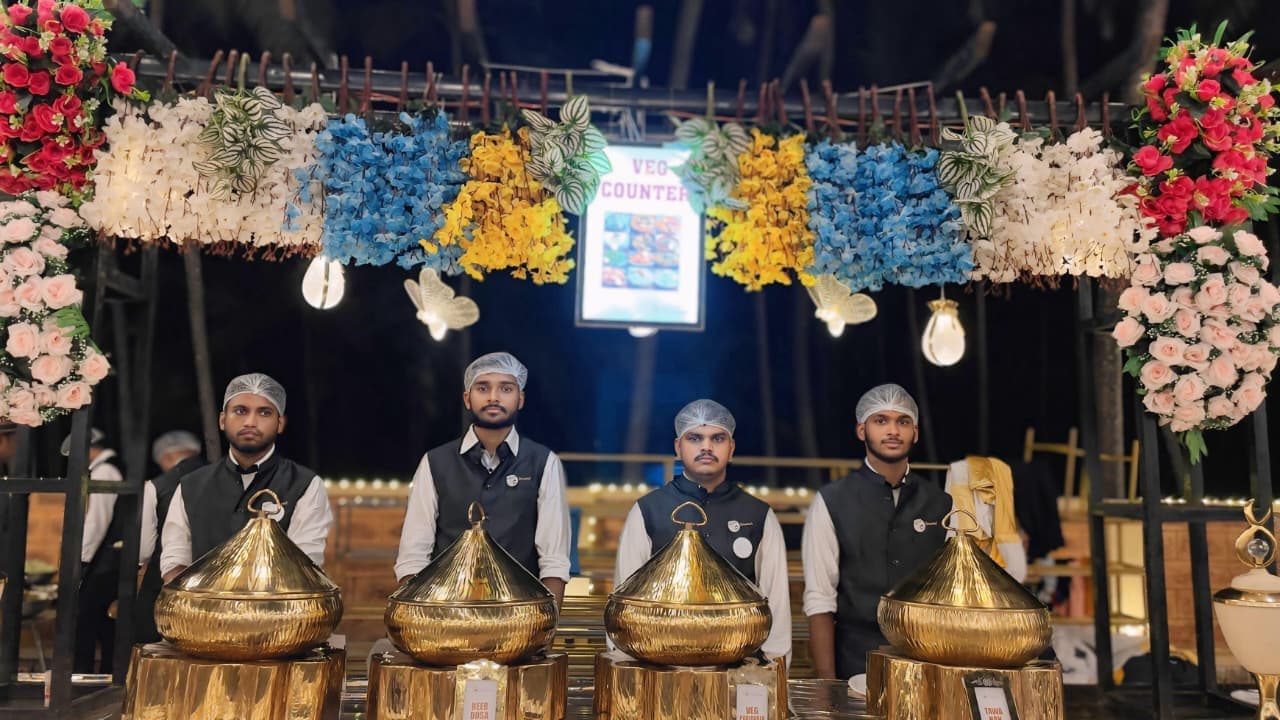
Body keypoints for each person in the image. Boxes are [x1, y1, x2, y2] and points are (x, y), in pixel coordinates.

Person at [614, 399, 792, 665]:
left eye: (717, 438)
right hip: (661, 668)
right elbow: (625, 604)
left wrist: (773, 672)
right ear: (678, 447)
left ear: (730, 448)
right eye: (695, 438)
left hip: (739, 669)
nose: (706, 447)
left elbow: (776, 602)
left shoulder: (758, 515)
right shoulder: (648, 511)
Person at [395, 352, 571, 606]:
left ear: (520, 399)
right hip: (446, 612)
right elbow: (413, 553)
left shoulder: (544, 462)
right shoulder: (435, 462)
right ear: (468, 398)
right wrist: (415, 614)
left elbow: (554, 559)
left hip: (519, 612)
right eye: (483, 387)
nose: (493, 397)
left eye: (506, 388)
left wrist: (546, 626)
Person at [802, 384, 952, 680]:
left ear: (915, 433)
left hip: (928, 661)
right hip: (855, 662)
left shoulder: (942, 503)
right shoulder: (832, 501)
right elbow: (820, 598)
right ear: (862, 430)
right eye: (881, 420)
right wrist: (827, 682)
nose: (893, 430)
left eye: (903, 421)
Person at [160, 374, 333, 583]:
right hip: (203, 610)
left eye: (264, 412)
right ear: (223, 420)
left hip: (274, 612)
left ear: (280, 423)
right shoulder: (191, 485)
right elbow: (175, 560)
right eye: (240, 411)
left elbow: (305, 565)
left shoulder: (304, 484)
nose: (250, 422)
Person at [135, 431, 205, 643]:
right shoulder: (225, 477)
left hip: (164, 584)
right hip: (217, 585)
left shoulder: (156, 486)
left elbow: (144, 548)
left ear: (164, 458)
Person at [68, 428, 124, 674]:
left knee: (89, 619)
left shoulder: (105, 471)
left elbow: (97, 521)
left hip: (104, 560)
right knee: (100, 620)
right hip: (106, 558)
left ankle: (87, 675)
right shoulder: (109, 468)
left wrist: (81, 560)